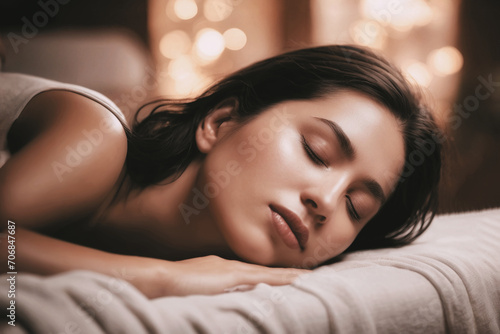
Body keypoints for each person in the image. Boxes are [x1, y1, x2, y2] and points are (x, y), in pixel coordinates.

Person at [0, 45, 442, 298]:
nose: (325, 202)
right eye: (316, 150)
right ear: (220, 122)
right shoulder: (95, 135)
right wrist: (162, 279)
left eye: (356, 205)